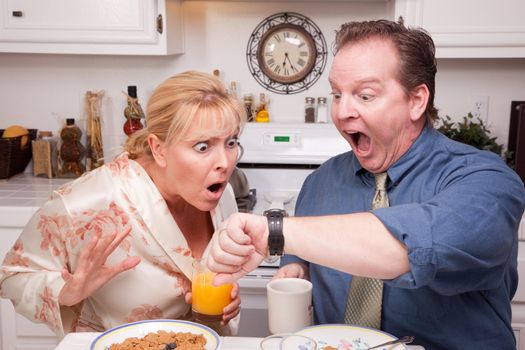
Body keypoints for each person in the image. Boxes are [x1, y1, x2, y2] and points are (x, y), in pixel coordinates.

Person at [207, 20, 525, 350]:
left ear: (416, 100)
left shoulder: (486, 180)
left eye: (365, 95)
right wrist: (295, 267)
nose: (343, 112)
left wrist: (273, 232)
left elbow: (418, 245)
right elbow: (305, 251)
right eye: (336, 94)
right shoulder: (320, 183)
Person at [0, 70, 246, 338]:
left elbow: (215, 280)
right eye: (203, 147)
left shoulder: (223, 196)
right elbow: (13, 277)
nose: (225, 162)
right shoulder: (89, 202)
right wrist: (66, 292)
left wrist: (227, 304)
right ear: (158, 149)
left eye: (231, 142)